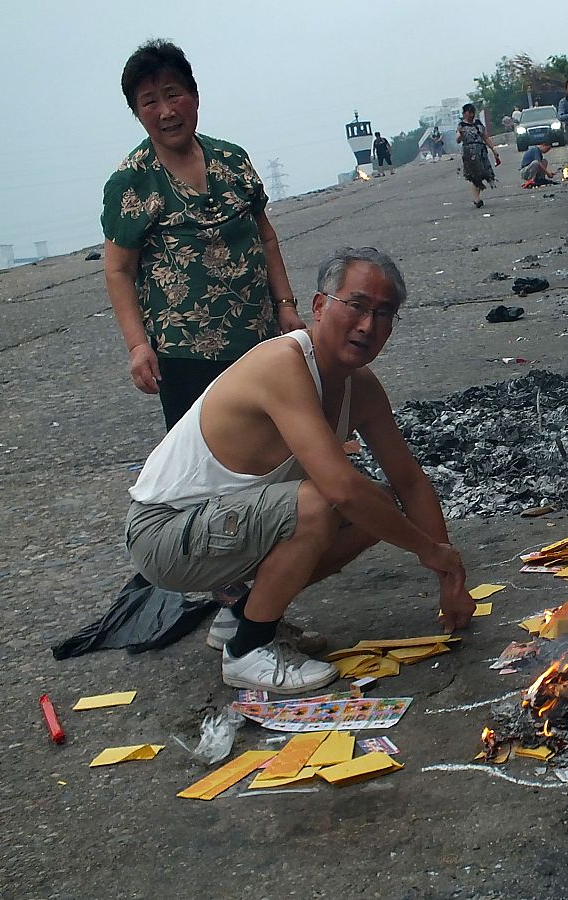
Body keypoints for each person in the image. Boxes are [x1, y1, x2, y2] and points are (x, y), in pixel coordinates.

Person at [125, 247, 476, 692]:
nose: (368, 326)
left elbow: (409, 481)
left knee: (378, 507)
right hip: (165, 534)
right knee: (323, 500)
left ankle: (242, 615)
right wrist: (429, 551)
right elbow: (340, 488)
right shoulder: (284, 363)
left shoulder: (360, 389)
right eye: (357, 306)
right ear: (318, 306)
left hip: (221, 528)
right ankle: (247, 652)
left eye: (384, 314)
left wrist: (449, 573)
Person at [103, 40, 305, 434]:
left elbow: (265, 238)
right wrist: (138, 346)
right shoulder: (131, 182)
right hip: (183, 354)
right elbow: (118, 271)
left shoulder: (233, 161)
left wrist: (285, 305)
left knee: (275, 441)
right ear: (137, 113)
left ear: (194, 96)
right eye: (149, 102)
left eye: (173, 94)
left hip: (258, 337)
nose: (166, 112)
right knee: (205, 458)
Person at [455, 103, 499, 208]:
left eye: (468, 113)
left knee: (483, 173)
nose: (468, 115)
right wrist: (460, 135)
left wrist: (493, 149)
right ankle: (477, 199)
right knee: (475, 175)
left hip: (481, 151)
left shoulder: (478, 124)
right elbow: (458, 140)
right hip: (469, 153)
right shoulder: (462, 125)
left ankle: (477, 198)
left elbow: (485, 137)